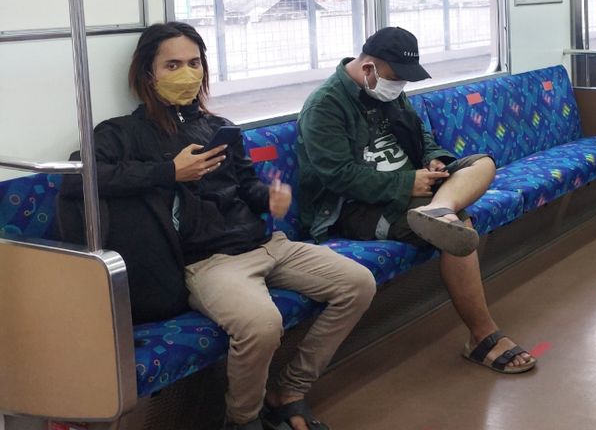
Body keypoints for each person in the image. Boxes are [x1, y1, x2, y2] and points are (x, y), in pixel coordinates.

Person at [59, 22, 375, 430]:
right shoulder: (123, 134)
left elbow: (246, 188)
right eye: (172, 65)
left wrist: (270, 197)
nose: (186, 74)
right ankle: (242, 420)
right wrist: (169, 172)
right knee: (262, 326)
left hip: (265, 244)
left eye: (194, 63)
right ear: (147, 74)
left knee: (358, 284)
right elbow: (77, 177)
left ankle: (289, 390)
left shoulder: (219, 128)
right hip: (209, 262)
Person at [297, 27, 537, 375]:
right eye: (395, 78)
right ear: (369, 69)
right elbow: (339, 176)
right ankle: (482, 337)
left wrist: (433, 159)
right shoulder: (325, 106)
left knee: (482, 163)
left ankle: (438, 209)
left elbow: (419, 133)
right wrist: (408, 183)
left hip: (415, 189)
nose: (400, 87)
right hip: (356, 208)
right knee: (458, 229)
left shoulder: (387, 93)